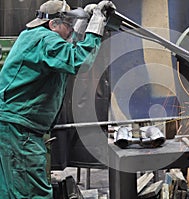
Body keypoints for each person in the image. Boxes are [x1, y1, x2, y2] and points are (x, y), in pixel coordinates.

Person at [0, 0, 116, 198]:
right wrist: (97, 22)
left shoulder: (35, 37)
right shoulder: (44, 40)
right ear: (53, 24)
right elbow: (81, 60)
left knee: (12, 191)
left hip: (14, 129)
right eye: (68, 25)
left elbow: (67, 46)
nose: (71, 30)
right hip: (20, 133)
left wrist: (85, 20)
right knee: (32, 193)